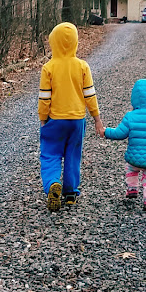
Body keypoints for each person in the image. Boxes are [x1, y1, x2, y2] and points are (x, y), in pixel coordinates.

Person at [38, 22, 104, 212]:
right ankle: (70, 193)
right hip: (77, 120)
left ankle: (52, 183)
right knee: (73, 155)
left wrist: (43, 118)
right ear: (75, 42)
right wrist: (97, 119)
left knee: (50, 154)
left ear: (53, 42)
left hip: (54, 120)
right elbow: (90, 95)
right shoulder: (82, 66)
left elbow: (44, 97)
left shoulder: (48, 68)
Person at [102, 79, 146, 211]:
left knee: (131, 169)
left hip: (133, 158)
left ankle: (132, 189)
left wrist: (106, 131)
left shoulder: (130, 116)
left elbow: (119, 133)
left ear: (134, 98)